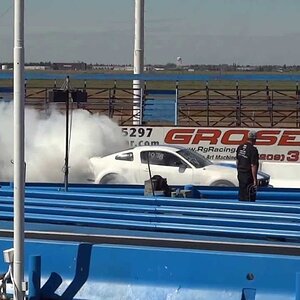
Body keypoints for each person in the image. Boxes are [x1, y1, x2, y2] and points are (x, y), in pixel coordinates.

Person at [236, 130, 259, 202]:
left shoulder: (240, 147)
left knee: (241, 194)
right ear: (254, 139)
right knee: (249, 196)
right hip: (248, 175)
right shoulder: (253, 149)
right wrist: (255, 179)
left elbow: (237, 161)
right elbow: (253, 165)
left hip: (240, 174)